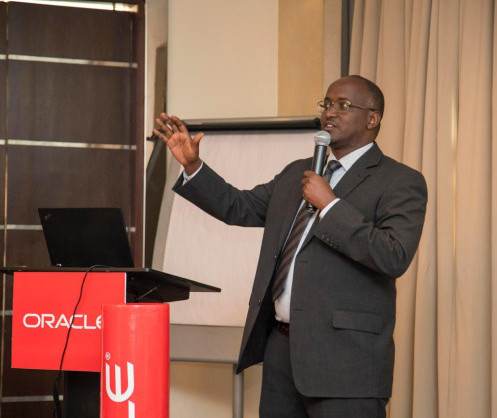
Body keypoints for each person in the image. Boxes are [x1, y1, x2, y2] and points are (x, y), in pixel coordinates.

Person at [154, 75, 427, 418]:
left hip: (347, 362)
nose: (330, 112)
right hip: (283, 352)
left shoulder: (400, 180)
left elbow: (393, 255)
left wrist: (330, 206)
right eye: (327, 103)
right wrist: (193, 166)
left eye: (343, 105)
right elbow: (239, 207)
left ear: (372, 118)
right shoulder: (298, 173)